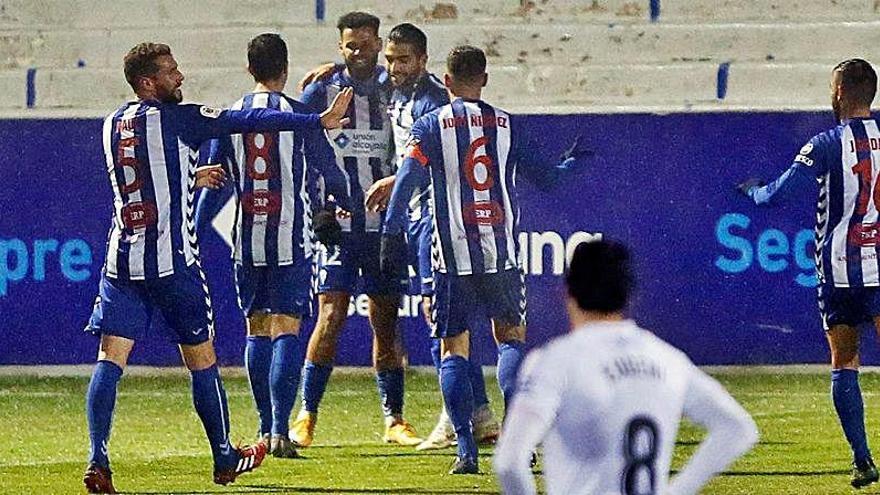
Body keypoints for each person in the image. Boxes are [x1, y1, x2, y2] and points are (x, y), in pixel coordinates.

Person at [82, 42, 351, 493]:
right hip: (173, 266)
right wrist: (313, 120)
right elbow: (247, 120)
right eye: (170, 71)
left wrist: (192, 177)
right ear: (148, 83)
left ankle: (97, 459)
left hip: (122, 264)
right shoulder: (179, 117)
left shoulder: (112, 124)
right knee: (202, 361)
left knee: (110, 360)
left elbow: (147, 178)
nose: (180, 77)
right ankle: (225, 456)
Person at [380, 45, 592, 473]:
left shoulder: (428, 126)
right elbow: (549, 178)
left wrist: (390, 232)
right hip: (501, 255)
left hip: (451, 256)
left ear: (447, 81)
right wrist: (571, 163)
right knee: (510, 339)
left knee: (453, 349)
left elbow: (405, 182)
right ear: (485, 79)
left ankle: (466, 451)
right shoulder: (505, 125)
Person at [300, 21, 502, 452]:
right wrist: (330, 68)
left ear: (422, 61)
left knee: (439, 318)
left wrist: (399, 180)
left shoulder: (431, 101)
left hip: (431, 218)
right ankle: (480, 414)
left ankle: (454, 418)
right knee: (436, 317)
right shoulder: (391, 90)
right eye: (389, 59)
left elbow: (433, 157)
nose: (392, 66)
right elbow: (355, 71)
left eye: (400, 59)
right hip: (403, 220)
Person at [492, 240, 759, 495]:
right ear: (628, 295)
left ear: (567, 293)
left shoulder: (555, 361)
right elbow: (738, 428)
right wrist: (677, 490)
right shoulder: (667, 358)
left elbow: (510, 462)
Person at [195, 33, 350, 459]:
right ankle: (282, 429)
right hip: (290, 236)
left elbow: (212, 178)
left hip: (245, 239)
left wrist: (194, 225)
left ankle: (264, 427)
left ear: (249, 70)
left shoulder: (230, 117)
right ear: (285, 68)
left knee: (257, 328)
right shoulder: (301, 114)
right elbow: (329, 171)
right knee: (287, 327)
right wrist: (345, 203)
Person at [737, 58, 880, 488]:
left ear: (839, 92)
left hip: (839, 271)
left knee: (845, 362)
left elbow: (777, 196)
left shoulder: (826, 143)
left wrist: (754, 191)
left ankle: (863, 461)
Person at [291, 11, 421, 448]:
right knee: (331, 315)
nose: (359, 51)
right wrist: (318, 204)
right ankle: (305, 415)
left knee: (385, 321)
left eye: (366, 43)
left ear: (378, 42)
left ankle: (395, 419)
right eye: (351, 45)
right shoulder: (321, 89)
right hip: (340, 226)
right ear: (340, 46)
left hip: (384, 228)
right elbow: (295, 134)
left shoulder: (394, 87)